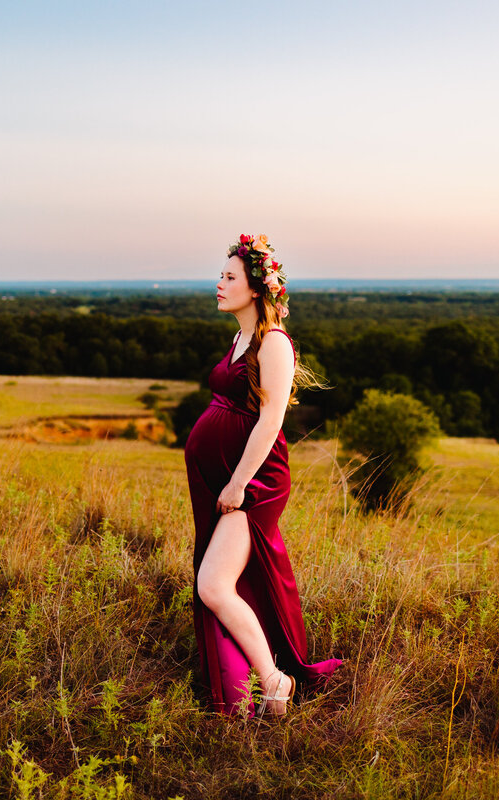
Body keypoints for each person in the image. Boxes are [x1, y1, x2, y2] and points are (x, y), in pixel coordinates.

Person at [183, 234, 343, 718]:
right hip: (223, 478)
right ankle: (250, 680)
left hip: (253, 481)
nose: (219, 284)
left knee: (213, 585)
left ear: (255, 288)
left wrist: (238, 485)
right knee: (228, 581)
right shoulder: (239, 339)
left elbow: (271, 422)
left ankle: (275, 682)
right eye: (222, 275)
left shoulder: (273, 343)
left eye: (229, 277)